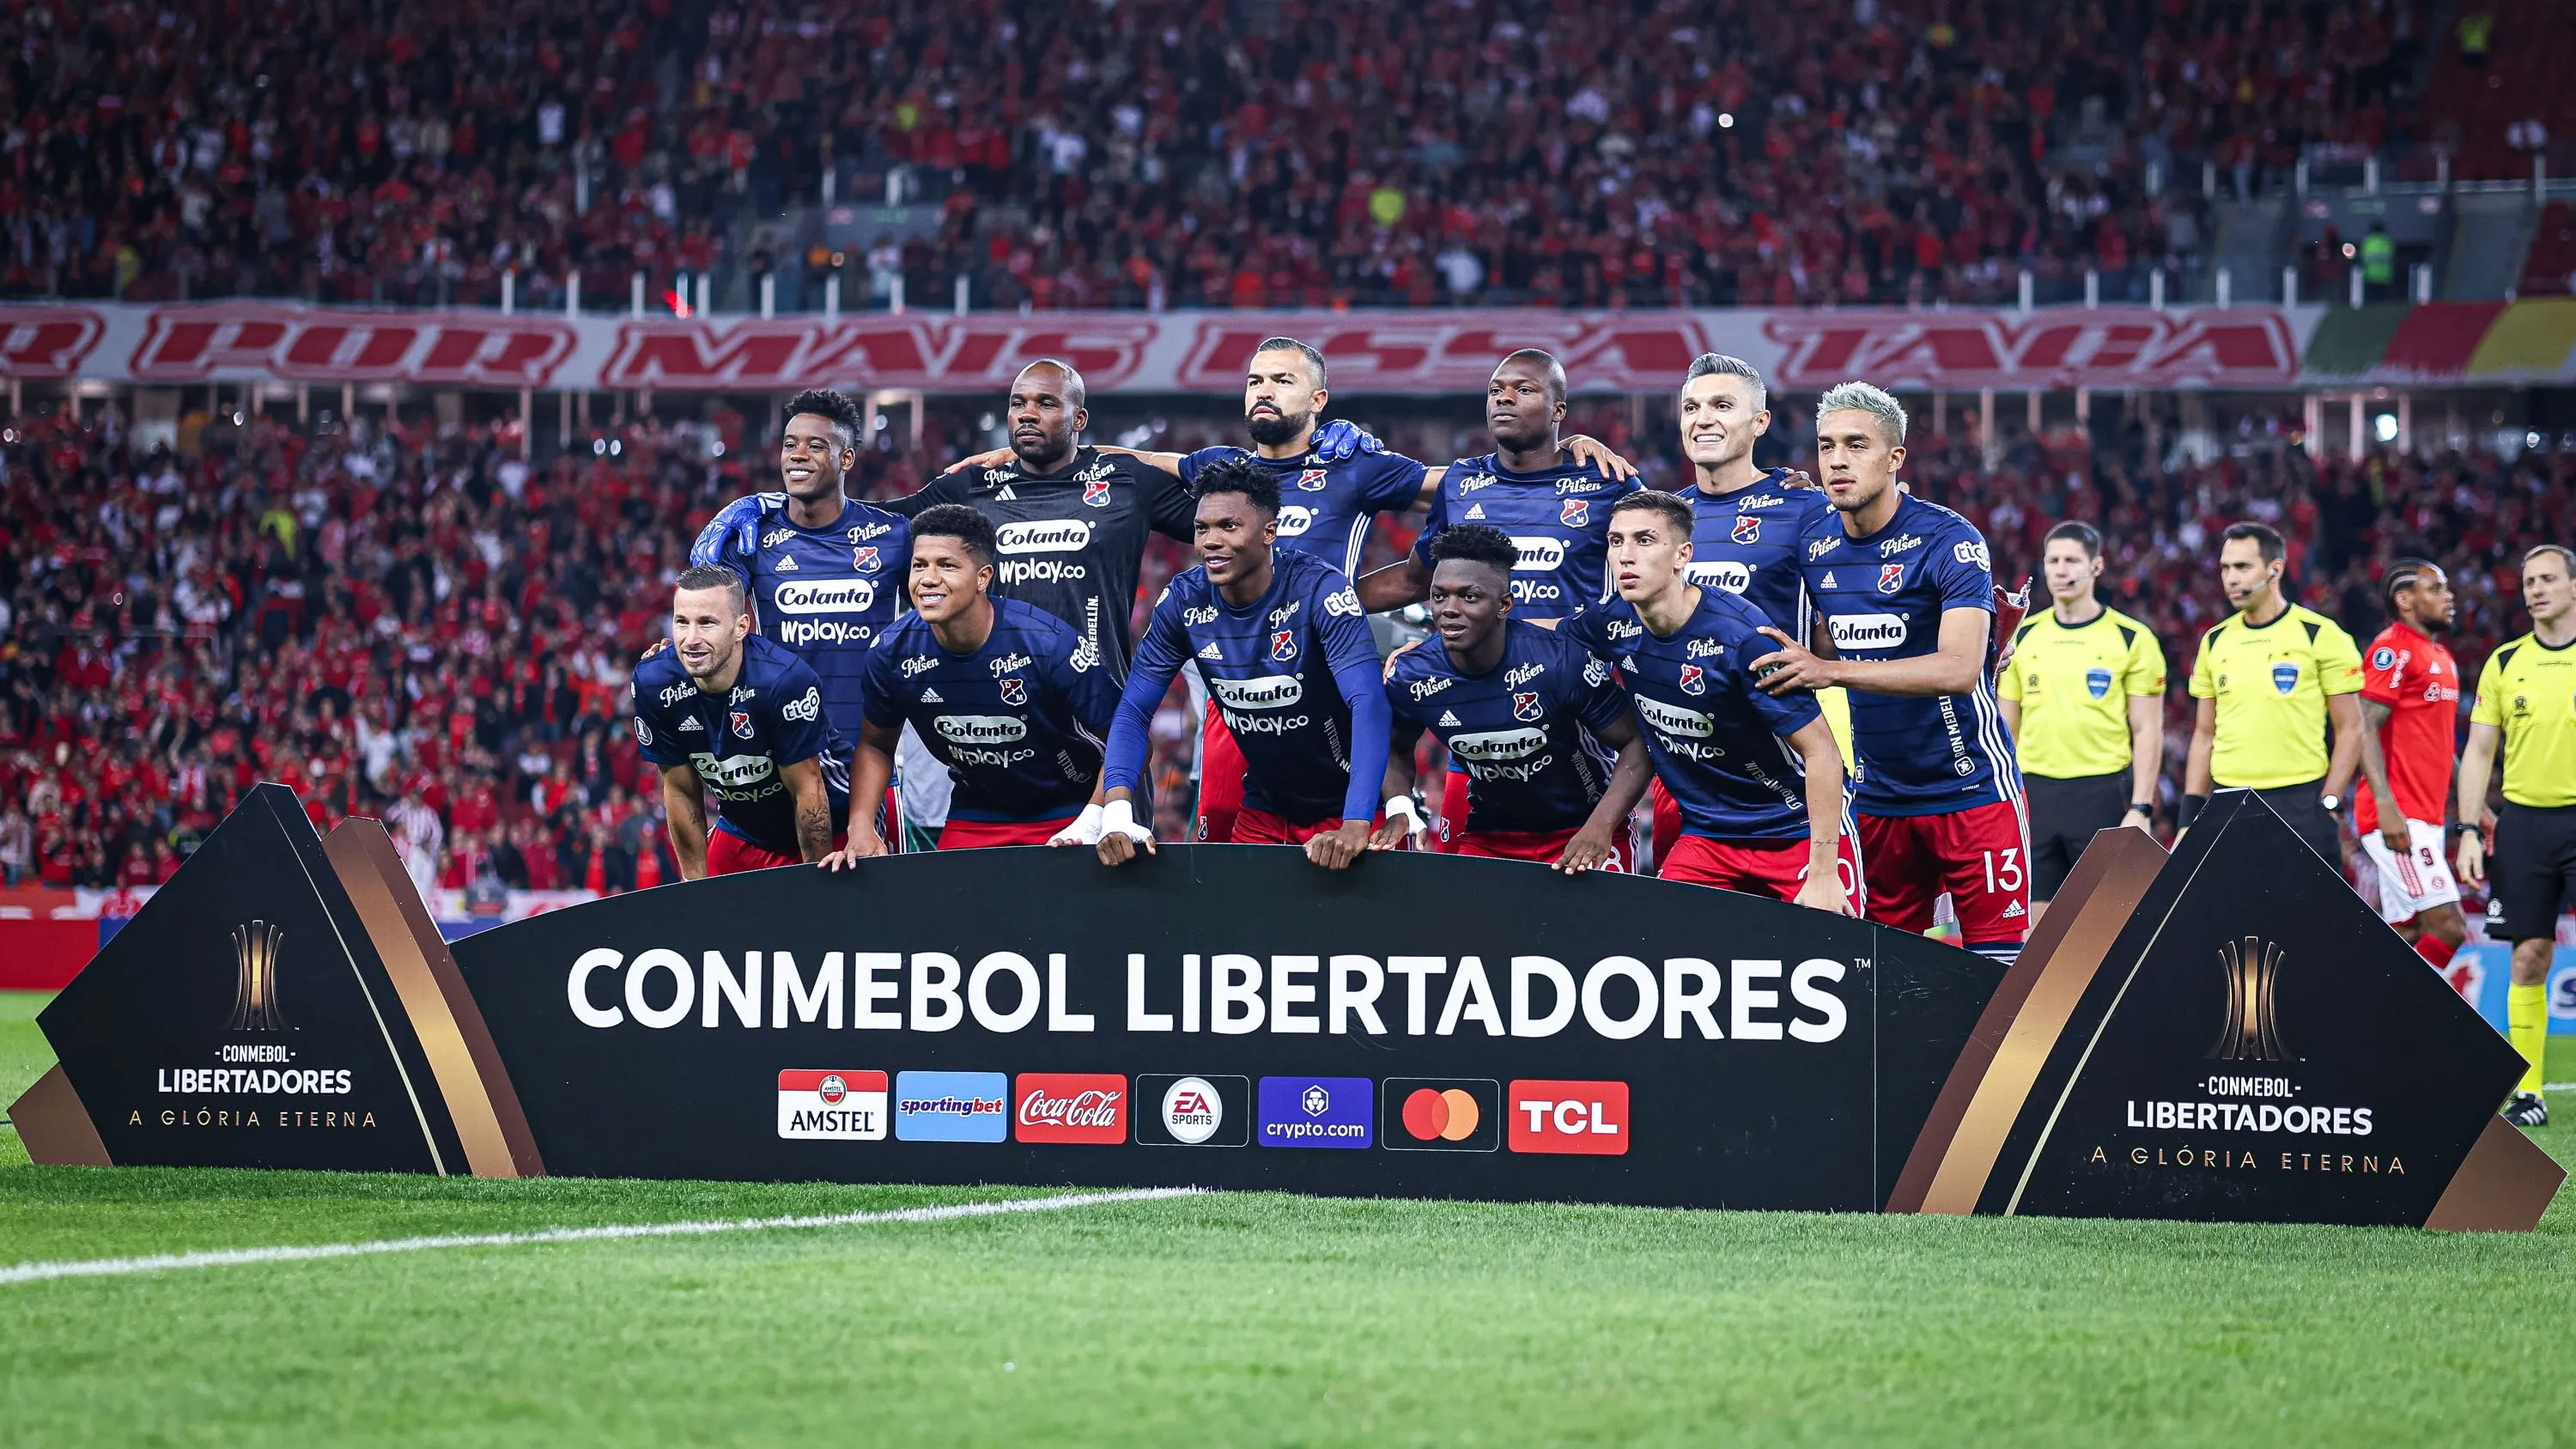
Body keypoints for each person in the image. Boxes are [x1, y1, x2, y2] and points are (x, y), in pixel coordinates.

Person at [1753, 382, 2026, 964]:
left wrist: (1830, 670)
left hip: (1972, 790)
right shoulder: (1815, 539)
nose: (1838, 460)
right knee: (1882, 980)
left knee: (1998, 976)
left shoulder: (1949, 541)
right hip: (1878, 800)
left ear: (1896, 458)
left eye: (1857, 444)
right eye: (1827, 447)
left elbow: (1957, 669)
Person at [1355, 349, 1644, 844]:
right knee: (1471, 877)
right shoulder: (1461, 484)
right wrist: (1320, 604)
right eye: (1495, 391)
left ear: (1559, 411)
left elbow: (1649, 585)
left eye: (1524, 390)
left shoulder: (1608, 483)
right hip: (1477, 709)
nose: (1504, 399)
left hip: (1573, 710)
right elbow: (1412, 581)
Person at [1557, 491, 1855, 911]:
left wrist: (1823, 873)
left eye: (1644, 540)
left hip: (1795, 830)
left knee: (1838, 961)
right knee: (1663, 954)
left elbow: (1822, 752)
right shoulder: (1611, 622)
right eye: (1616, 541)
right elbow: (1542, 639)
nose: (1625, 555)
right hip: (1707, 838)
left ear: (1683, 555)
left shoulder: (1744, 639)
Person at [1091, 457, 1390, 869]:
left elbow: (1368, 701)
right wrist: (1117, 814)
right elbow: (1133, 710)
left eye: (1228, 526)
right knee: (1235, 929)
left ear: (1269, 532)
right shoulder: (1183, 600)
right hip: (1266, 809)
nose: (1210, 540)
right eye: (1202, 528)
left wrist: (1356, 822)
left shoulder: (1320, 589)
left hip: (1350, 807)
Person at [825, 505, 1120, 862]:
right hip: (977, 812)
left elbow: (1131, 739)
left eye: (946, 565)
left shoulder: (1048, 644)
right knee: (950, 916)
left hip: (1068, 809)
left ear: (983, 578)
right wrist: (861, 828)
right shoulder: (891, 652)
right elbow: (875, 745)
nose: (928, 579)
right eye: (920, 565)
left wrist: (1094, 817)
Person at [886, 359, 1195, 682]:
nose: (1027, 414)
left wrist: (1151, 459)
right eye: (1017, 403)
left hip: (1095, 704)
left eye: (1046, 404)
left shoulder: (1128, 483)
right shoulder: (971, 486)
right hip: (997, 699)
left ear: (1079, 419)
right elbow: (871, 524)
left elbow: (1232, 512)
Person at [690, 388, 909, 842]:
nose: (798, 455)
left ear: (846, 459)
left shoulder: (895, 535)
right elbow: (704, 599)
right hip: (778, 768)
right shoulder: (751, 536)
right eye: (790, 444)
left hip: (865, 774)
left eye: (816, 445)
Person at [1377, 524, 1650, 872]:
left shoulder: (1561, 661)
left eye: (1469, 596)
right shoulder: (1412, 674)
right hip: (1491, 838)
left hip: (1582, 831)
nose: (1449, 608)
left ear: (1504, 604)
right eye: (1440, 595)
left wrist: (1601, 825)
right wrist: (1400, 804)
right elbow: (1392, 745)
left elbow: (1637, 742)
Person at [1662, 350, 1841, 868]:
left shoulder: (1808, 509)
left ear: (1760, 422)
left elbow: (1856, 609)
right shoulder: (1661, 519)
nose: (1704, 418)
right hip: (1685, 772)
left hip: (1784, 764)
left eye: (1722, 405)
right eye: (1692, 407)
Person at [2456, 545, 2576, 1129]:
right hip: (2525, 822)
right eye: (2529, 581)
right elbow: (2479, 751)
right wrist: (2469, 827)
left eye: (2549, 578)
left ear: (2573, 586)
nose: (2537, 589)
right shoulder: (2505, 663)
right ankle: (2528, 1093)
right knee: (2528, 954)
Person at [1997, 521, 2166, 927]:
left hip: (2102, 793)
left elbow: (2147, 730)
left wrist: (2141, 807)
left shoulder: (2132, 638)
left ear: (2096, 566)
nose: (2061, 569)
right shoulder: (2023, 635)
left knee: (2102, 930)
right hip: (2033, 793)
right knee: (2034, 934)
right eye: (2053, 560)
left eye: (2072, 559)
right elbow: (2005, 727)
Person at [629, 565, 849, 877]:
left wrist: (816, 885)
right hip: (745, 829)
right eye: (682, 623)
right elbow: (680, 790)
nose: (691, 639)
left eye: (707, 623)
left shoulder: (784, 682)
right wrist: (696, 886)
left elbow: (808, 790)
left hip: (835, 825)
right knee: (707, 919)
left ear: (741, 627)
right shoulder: (653, 682)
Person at [2178, 521, 2364, 868]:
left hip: (2301, 803)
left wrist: (2329, 801)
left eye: (2243, 567)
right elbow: (2204, 734)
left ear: (2275, 569)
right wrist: (2189, 815)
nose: (2231, 578)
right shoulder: (2214, 641)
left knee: (2307, 921)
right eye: (2225, 568)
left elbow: (2352, 728)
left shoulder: (2320, 635)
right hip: (2228, 803)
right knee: (2235, 921)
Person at [2353, 560, 2470, 972]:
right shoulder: (2392, 648)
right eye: (2435, 589)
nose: (2448, 596)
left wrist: (2477, 808)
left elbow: (2442, 750)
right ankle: (2409, 1023)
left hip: (2428, 817)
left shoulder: (2441, 656)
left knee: (2410, 932)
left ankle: (2360, 1019)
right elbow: (2363, 726)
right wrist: (2385, 804)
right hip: (2399, 816)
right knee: (2449, 927)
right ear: (2404, 600)